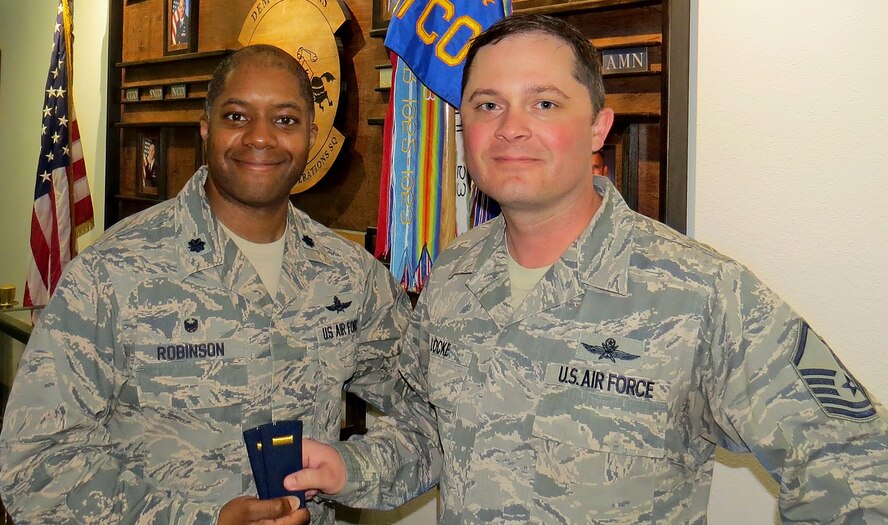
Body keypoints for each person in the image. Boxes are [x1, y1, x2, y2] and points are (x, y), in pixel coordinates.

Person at [374, 14, 886, 523]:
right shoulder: (454, 272)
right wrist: (346, 470)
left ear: (598, 127)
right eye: (488, 105)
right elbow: (427, 429)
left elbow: (860, 466)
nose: (510, 129)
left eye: (544, 103)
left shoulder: (699, 291)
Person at [0, 44, 438, 524]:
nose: (261, 137)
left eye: (285, 120)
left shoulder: (350, 277)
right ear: (206, 128)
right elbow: (36, 465)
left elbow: (435, 414)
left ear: (311, 136)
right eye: (237, 116)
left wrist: (351, 470)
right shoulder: (112, 273)